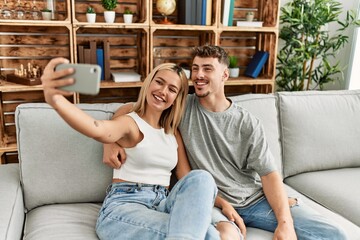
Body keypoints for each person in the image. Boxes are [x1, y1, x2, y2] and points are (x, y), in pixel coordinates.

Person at [103, 45, 347, 240]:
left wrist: (285, 223)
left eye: (207, 69)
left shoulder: (247, 123)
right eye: (195, 68)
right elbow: (131, 108)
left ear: (224, 75)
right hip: (212, 201)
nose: (198, 75)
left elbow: (269, 175)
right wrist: (110, 142)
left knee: (333, 234)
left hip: (253, 200)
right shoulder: (180, 105)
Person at [41, 58, 221, 240]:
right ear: (149, 83)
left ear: (176, 99)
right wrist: (56, 100)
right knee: (209, 236)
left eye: (172, 89)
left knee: (202, 178)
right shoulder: (130, 123)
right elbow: (98, 128)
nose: (163, 91)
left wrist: (223, 204)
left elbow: (186, 177)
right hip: (126, 206)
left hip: (164, 204)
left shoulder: (172, 133)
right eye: (159, 82)